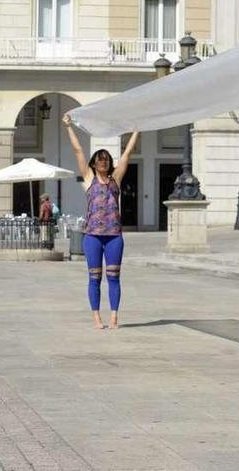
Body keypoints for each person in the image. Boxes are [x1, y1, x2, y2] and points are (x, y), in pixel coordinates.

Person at [63, 113, 138, 330]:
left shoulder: (116, 179)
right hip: (93, 236)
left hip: (114, 236)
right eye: (100, 159)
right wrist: (69, 127)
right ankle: (96, 317)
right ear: (94, 164)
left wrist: (136, 129)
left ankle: (114, 316)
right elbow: (78, 150)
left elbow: (127, 154)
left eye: (106, 159)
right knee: (94, 278)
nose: (103, 162)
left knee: (114, 277)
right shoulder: (89, 179)